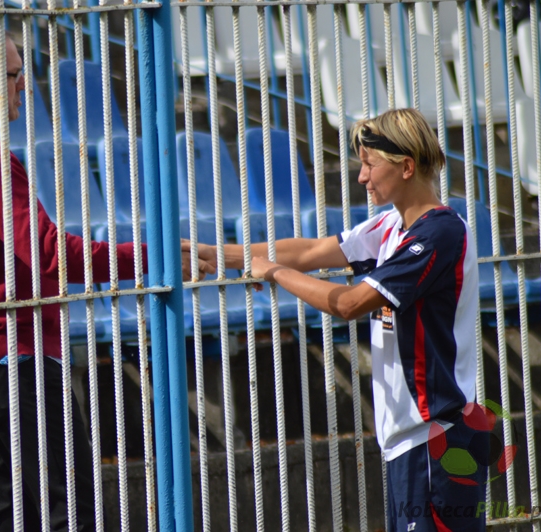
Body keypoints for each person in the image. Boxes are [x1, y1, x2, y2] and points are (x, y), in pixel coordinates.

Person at [0, 22, 209, 532]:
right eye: (12, 74)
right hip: (11, 360)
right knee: (70, 514)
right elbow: (49, 254)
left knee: (12, 516)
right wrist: (149, 258)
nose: (23, 84)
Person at [187, 108, 486, 531]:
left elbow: (349, 304)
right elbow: (311, 251)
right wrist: (217, 255)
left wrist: (274, 274)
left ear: (406, 167)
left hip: (436, 437)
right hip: (409, 439)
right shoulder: (392, 225)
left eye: (369, 164)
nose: (361, 177)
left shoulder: (439, 233)